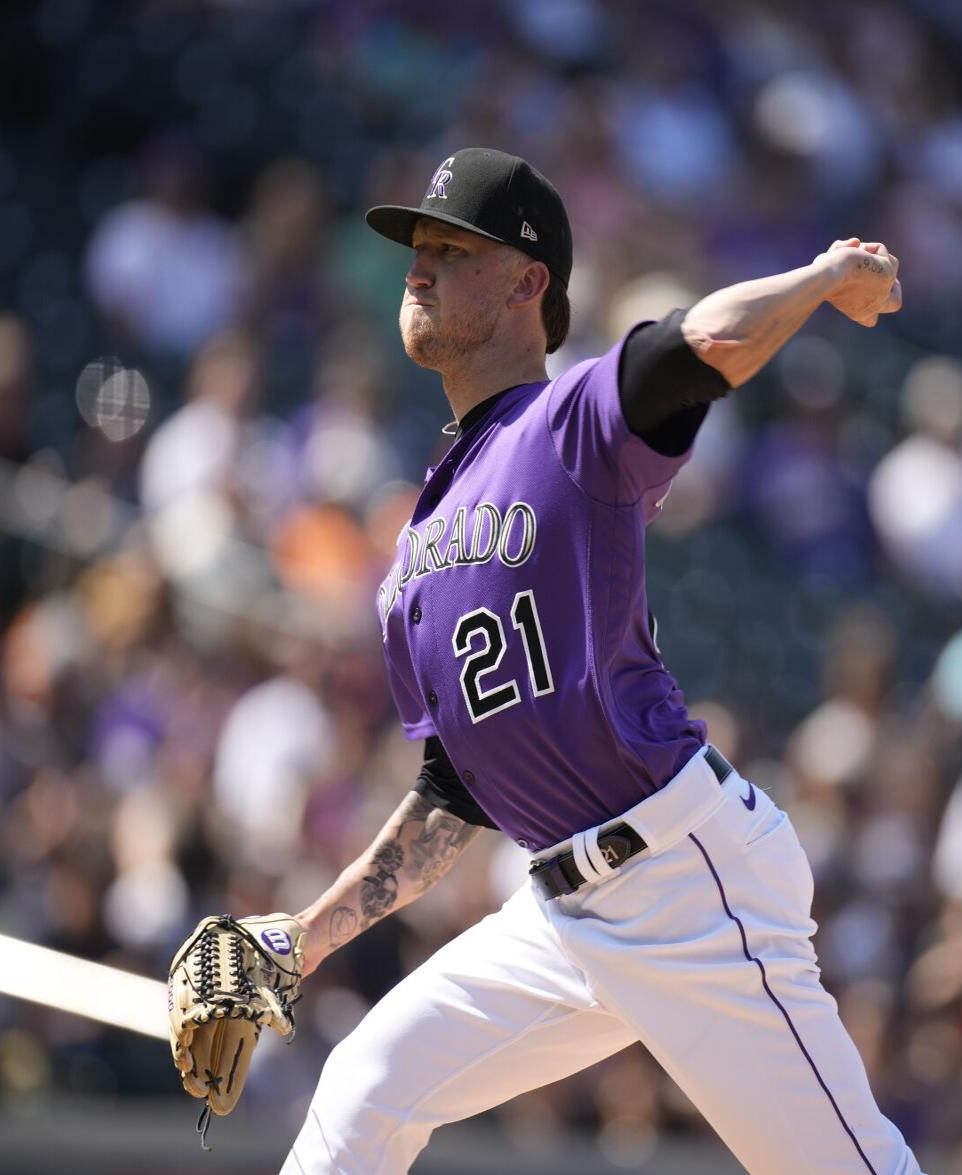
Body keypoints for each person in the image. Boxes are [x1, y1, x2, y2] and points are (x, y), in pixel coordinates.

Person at [279, 147, 917, 1174]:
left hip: (682, 879)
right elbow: (452, 795)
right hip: (562, 911)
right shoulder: (417, 542)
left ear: (528, 283)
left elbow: (698, 344)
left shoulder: (570, 421)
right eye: (416, 249)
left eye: (451, 247)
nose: (418, 267)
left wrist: (819, 277)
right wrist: (300, 939)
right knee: (362, 1090)